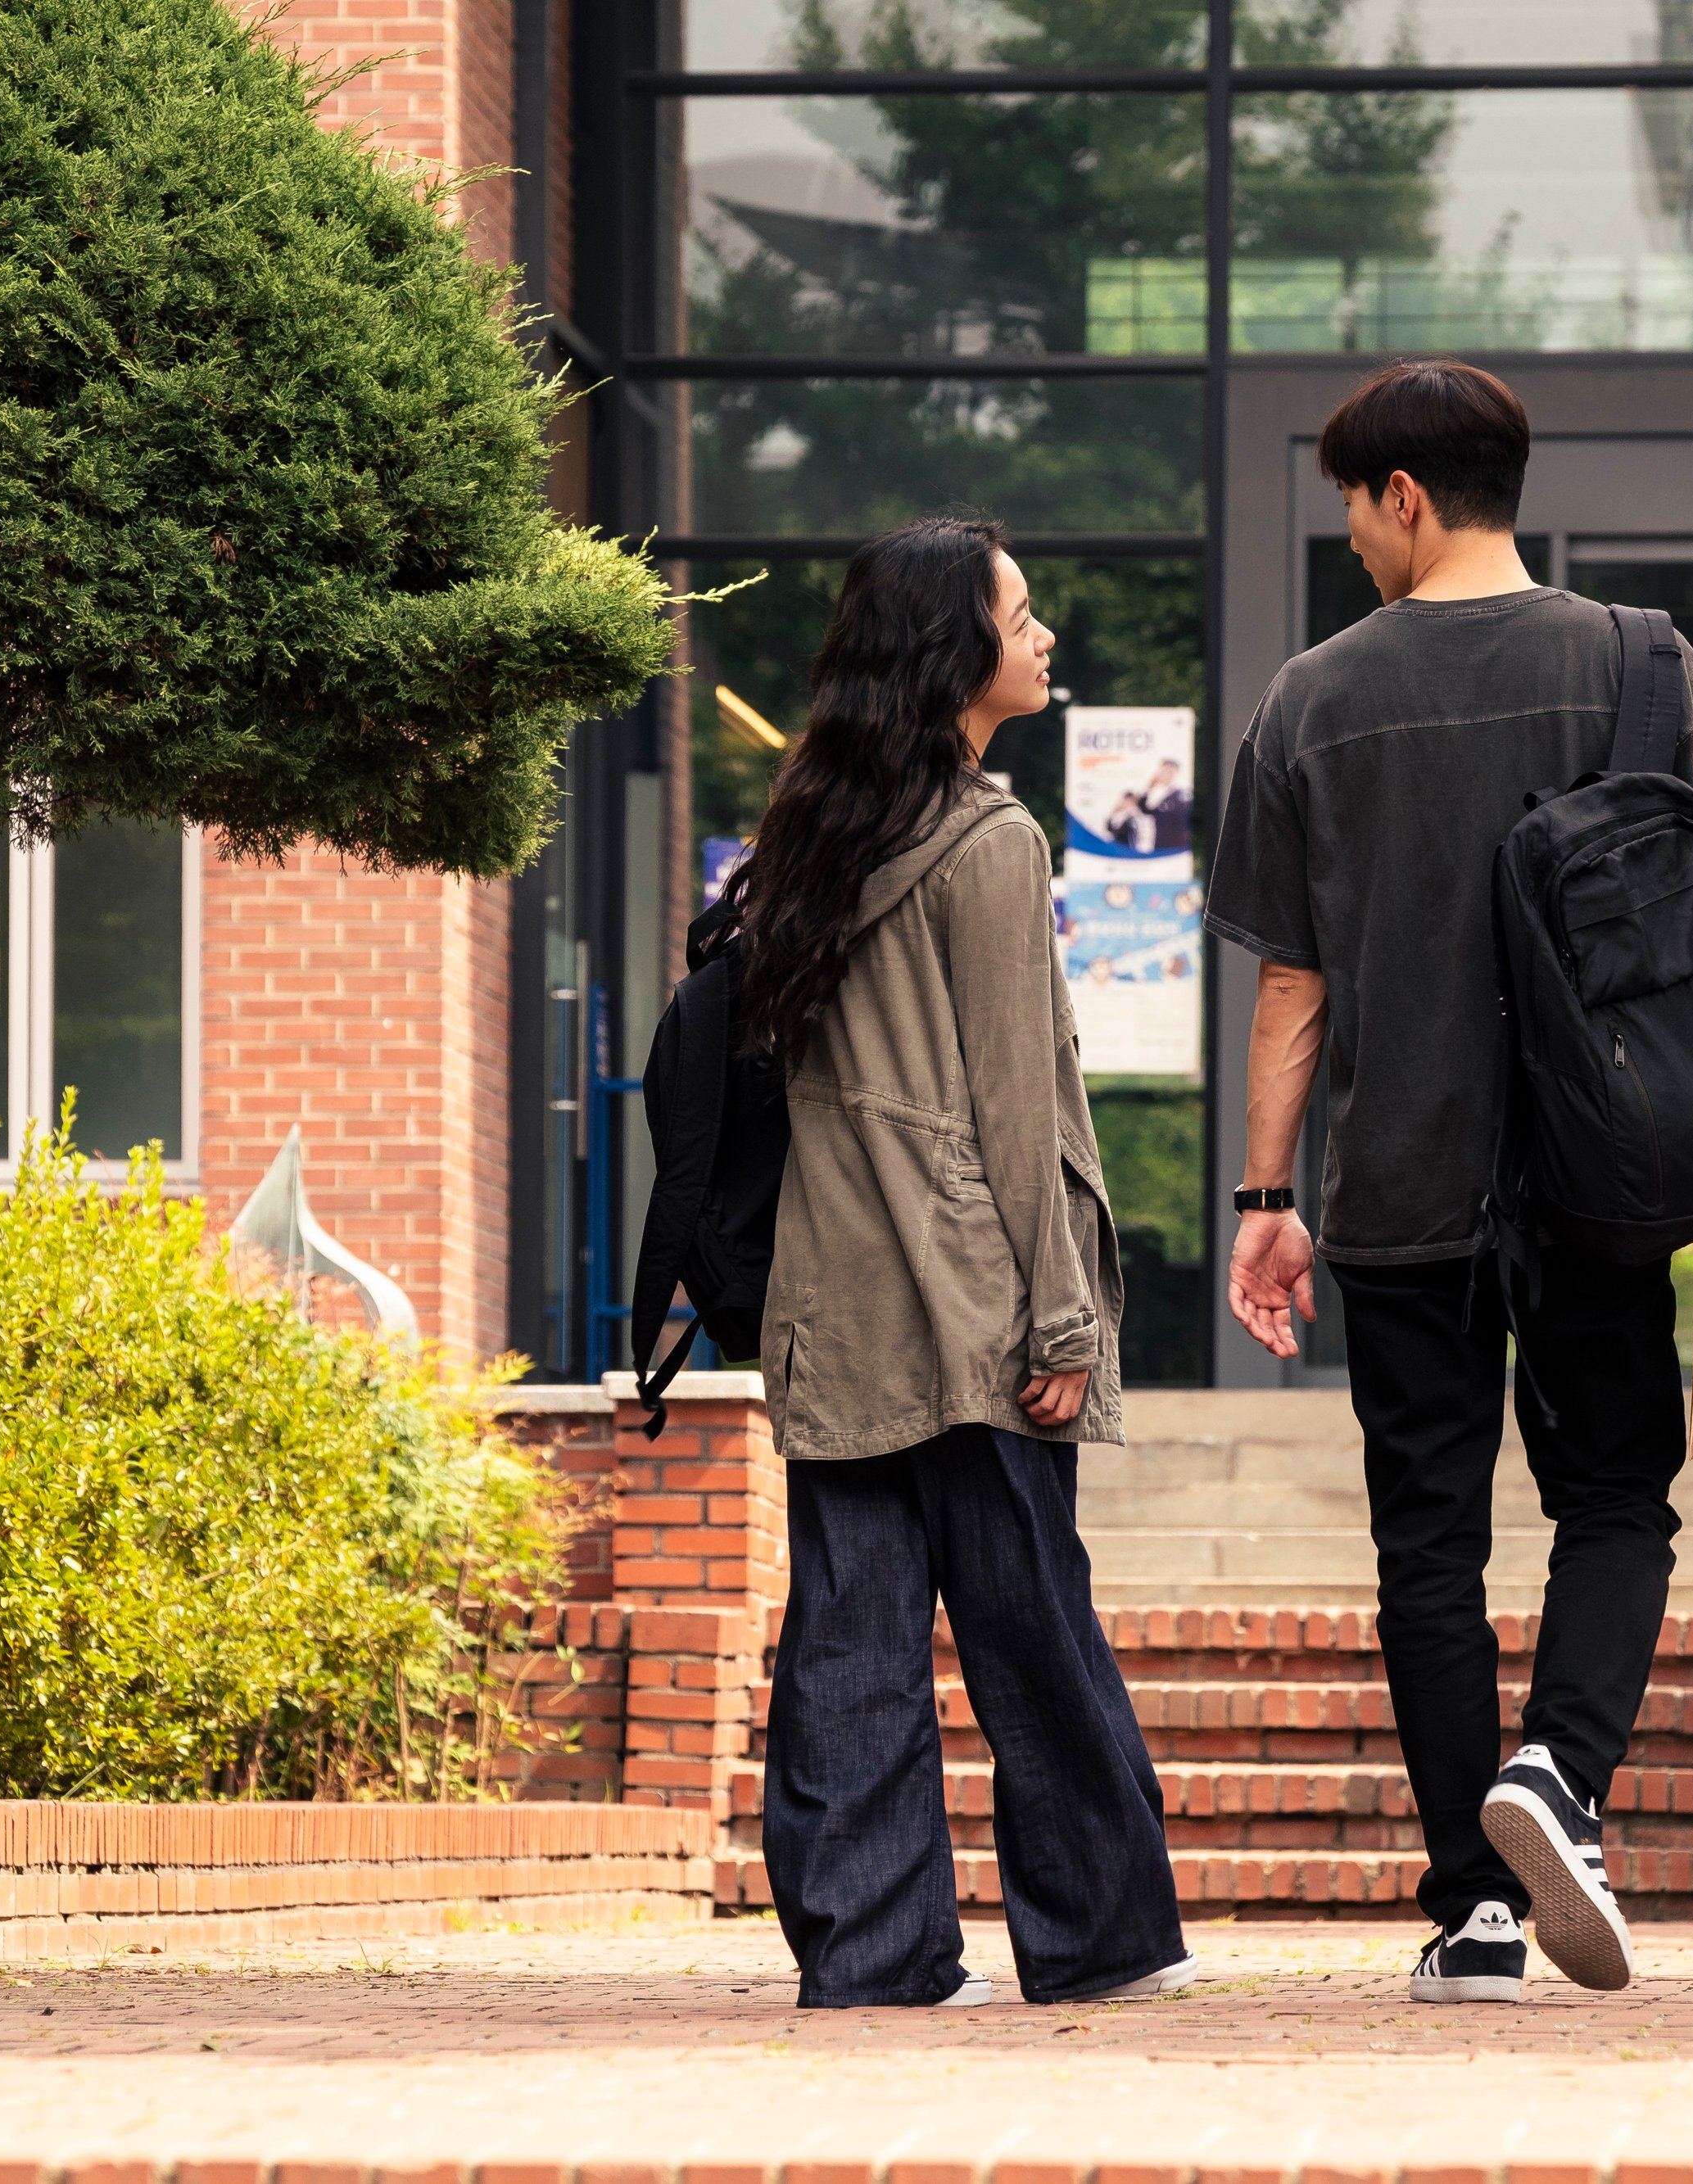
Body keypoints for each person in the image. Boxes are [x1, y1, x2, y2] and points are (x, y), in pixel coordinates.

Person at [1204, 359, 1693, 2005]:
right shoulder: (1642, 664)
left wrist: (1265, 1205)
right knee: (1613, 1497)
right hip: (1606, 1181)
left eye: (1352, 514)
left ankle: (1469, 1905)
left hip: (1397, 1187)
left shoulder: (1310, 698)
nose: (1353, 546)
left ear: (1402, 496)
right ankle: (1561, 1779)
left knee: (1425, 1545)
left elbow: (1292, 986)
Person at [726, 516, 1191, 2012]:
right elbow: (1019, 1105)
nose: (1045, 636)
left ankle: (872, 1955)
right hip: (980, 1312)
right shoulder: (991, 844)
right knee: (1035, 1635)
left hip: (837, 1307)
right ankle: (1104, 1941)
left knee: (851, 1647)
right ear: (954, 654)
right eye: (1022, 613)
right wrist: (1063, 1318)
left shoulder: (805, 838)